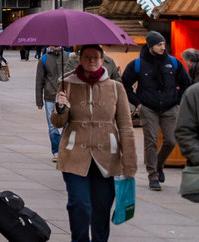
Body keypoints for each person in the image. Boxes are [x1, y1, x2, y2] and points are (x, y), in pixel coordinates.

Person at [52, 44, 136, 242]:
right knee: (79, 204)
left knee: (102, 207)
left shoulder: (115, 88)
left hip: (107, 155)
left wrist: (130, 162)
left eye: (96, 57)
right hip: (74, 154)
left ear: (102, 60)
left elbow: (125, 126)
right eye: (87, 57)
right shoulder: (67, 83)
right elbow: (58, 122)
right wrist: (60, 108)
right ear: (80, 59)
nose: (92, 61)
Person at [121, 30, 193, 190]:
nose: (162, 47)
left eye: (163, 44)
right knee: (151, 141)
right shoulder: (137, 64)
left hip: (170, 107)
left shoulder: (173, 63)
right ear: (151, 45)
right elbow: (124, 85)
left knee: (171, 140)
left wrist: (179, 102)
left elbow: (186, 83)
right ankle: (152, 175)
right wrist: (138, 104)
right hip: (148, 107)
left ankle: (159, 164)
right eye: (159, 44)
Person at [36, 44, 67, 161]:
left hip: (66, 96)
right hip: (50, 96)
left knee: (67, 124)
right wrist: (39, 100)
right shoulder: (44, 59)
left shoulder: (67, 56)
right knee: (52, 126)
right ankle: (57, 151)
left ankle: (63, 148)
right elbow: (39, 81)